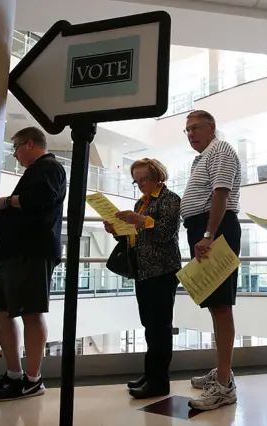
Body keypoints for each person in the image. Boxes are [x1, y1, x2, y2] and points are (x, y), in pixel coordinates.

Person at [0, 127, 67, 401]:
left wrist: (5, 202)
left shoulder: (50, 168)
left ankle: (33, 379)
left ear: (30, 144)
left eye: (16, 147)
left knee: (30, 311)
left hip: (32, 252)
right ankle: (14, 373)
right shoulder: (39, 171)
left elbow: (40, 200)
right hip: (18, 252)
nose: (15, 154)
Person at [103, 158, 182, 399]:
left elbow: (166, 233)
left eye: (144, 179)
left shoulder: (170, 199)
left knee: (160, 328)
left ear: (158, 175)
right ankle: (151, 374)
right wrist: (117, 230)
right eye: (136, 181)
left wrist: (141, 221)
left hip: (162, 270)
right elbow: (136, 237)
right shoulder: (140, 202)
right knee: (150, 326)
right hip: (144, 270)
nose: (140, 185)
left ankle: (159, 381)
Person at [180, 110, 241, 411]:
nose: (191, 134)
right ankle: (222, 371)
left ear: (212, 127)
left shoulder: (221, 150)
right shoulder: (202, 157)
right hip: (205, 230)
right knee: (214, 305)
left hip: (215, 229)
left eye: (196, 128)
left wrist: (207, 233)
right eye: (187, 130)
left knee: (221, 306)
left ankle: (225, 386)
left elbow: (220, 194)